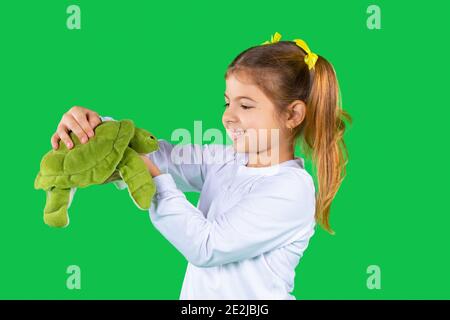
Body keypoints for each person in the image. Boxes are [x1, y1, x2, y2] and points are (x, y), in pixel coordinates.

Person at [50, 32, 351, 299]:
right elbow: (163, 156)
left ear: (292, 115)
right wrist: (98, 129)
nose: (228, 117)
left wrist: (151, 180)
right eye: (227, 102)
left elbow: (207, 246)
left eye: (245, 106)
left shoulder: (292, 189)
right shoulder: (227, 160)